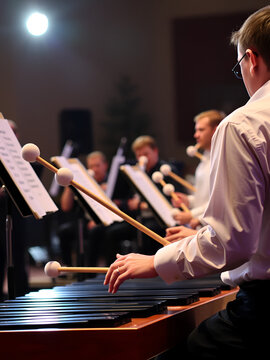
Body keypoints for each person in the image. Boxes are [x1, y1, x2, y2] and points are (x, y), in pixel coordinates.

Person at [104, 6, 270, 357]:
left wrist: (157, 261)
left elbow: (232, 243)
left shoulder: (243, 124)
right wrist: (198, 235)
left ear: (251, 59)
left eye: (238, 66)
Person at [105, 135, 184, 264]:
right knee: (112, 232)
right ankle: (112, 271)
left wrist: (143, 205)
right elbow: (128, 199)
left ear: (155, 151)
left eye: (146, 154)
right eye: (139, 155)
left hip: (161, 221)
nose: (143, 158)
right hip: (139, 219)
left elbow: (174, 201)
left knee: (148, 231)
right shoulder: (137, 173)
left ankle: (150, 269)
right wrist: (128, 203)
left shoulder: (166, 171)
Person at [172, 110, 225, 229]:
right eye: (196, 130)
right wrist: (188, 201)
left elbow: (220, 201)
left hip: (212, 228)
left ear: (215, 130)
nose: (196, 135)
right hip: (200, 226)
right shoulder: (204, 160)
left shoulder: (222, 159)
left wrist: (192, 215)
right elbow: (203, 198)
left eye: (201, 130)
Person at [58, 150, 109, 267]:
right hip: (85, 221)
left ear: (105, 165)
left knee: (95, 232)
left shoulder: (111, 182)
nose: (94, 169)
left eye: (97, 165)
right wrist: (69, 185)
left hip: (105, 222)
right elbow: (66, 207)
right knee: (64, 231)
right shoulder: (84, 182)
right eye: (91, 166)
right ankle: (69, 267)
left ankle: (91, 271)